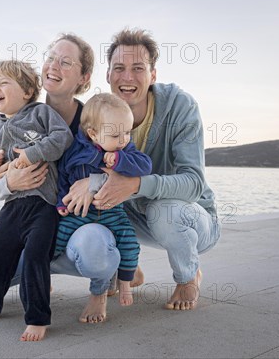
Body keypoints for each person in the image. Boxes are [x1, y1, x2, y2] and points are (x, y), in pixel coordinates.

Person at [0, 33, 124, 324]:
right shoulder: (5, 123)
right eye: (50, 57)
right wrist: (9, 182)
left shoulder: (93, 118)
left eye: (65, 62)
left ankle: (102, 283)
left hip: (71, 228)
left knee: (93, 248)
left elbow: (124, 172)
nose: (53, 65)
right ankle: (5, 292)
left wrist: (93, 182)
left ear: (84, 77)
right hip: (22, 219)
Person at [65, 28, 221, 310]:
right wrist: (92, 182)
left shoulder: (179, 106)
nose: (127, 77)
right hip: (136, 217)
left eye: (138, 68)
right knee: (93, 198)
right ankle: (127, 266)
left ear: (153, 75)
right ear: (108, 76)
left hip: (189, 219)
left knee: (164, 210)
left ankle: (187, 277)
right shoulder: (100, 114)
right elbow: (77, 164)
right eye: (119, 68)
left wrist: (136, 185)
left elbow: (193, 183)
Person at [0, 60, 73, 341]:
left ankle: (37, 317)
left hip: (44, 204)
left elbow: (63, 137)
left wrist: (33, 154)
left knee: (36, 255)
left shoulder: (40, 113)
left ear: (25, 91)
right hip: (12, 206)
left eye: (3, 83)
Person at [55, 93, 152, 319]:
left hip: (111, 210)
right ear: (93, 134)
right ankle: (44, 275)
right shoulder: (76, 151)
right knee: (57, 237)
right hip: (79, 213)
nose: (123, 139)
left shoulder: (125, 151)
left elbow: (145, 166)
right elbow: (63, 177)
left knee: (129, 240)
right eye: (116, 134)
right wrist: (62, 202)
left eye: (127, 132)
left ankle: (126, 283)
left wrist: (121, 161)